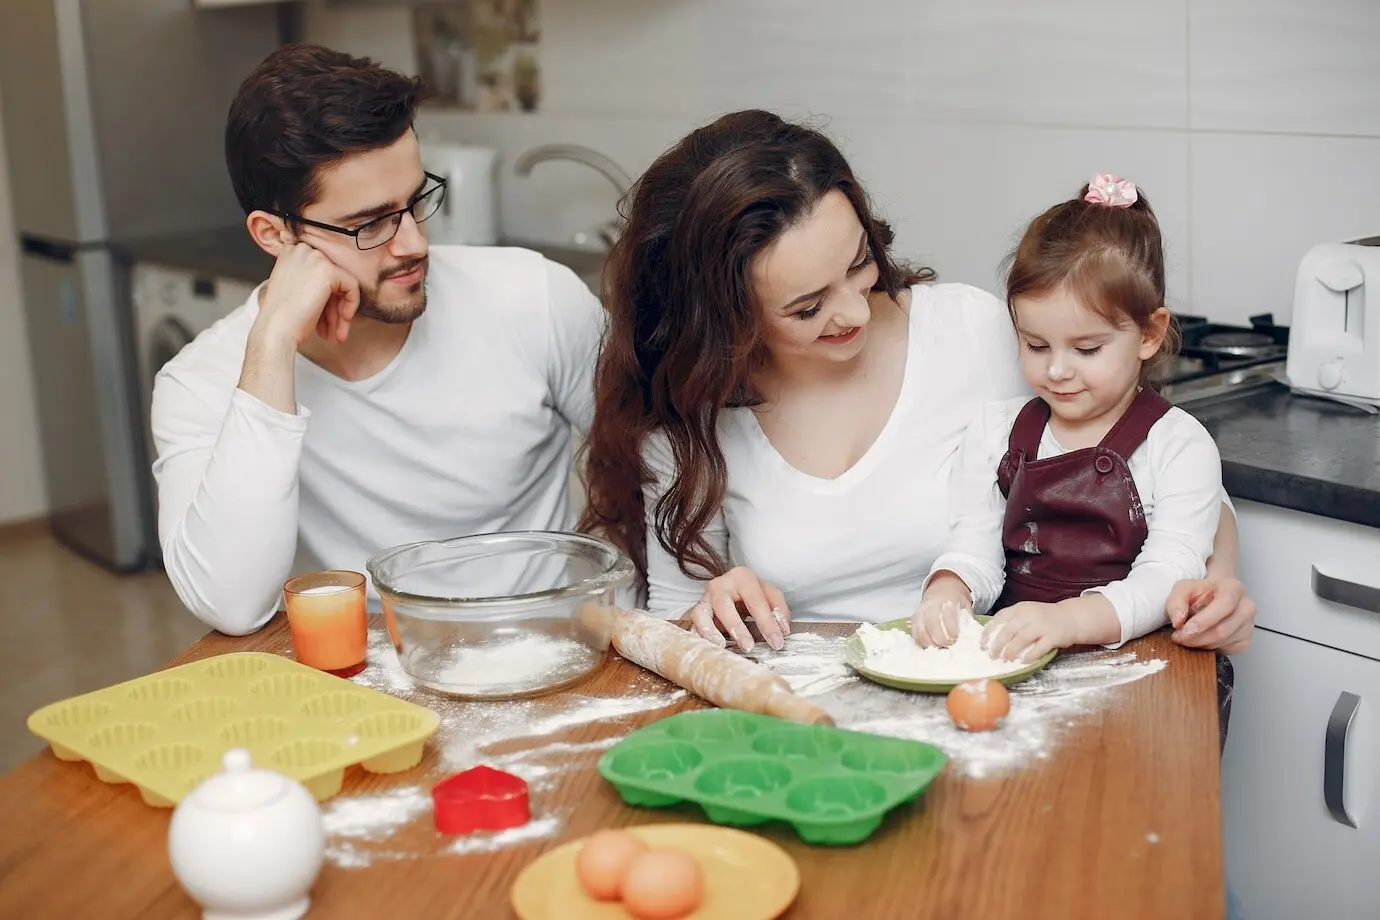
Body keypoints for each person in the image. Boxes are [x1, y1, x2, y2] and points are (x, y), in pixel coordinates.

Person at [579, 109, 1255, 661]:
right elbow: (670, 623)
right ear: (721, 317)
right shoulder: (691, 414)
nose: (851, 313)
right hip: (803, 724)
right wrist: (710, 613)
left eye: (859, 265)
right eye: (806, 307)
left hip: (992, 700)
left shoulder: (974, 333)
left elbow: (1174, 477)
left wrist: (1216, 585)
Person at [150, 44, 603, 636]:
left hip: (548, 655)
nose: (414, 244)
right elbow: (232, 605)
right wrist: (272, 344)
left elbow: (664, 458)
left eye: (416, 201)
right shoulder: (199, 381)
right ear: (274, 236)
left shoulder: (534, 297)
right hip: (365, 691)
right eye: (370, 223)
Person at [911, 175, 1224, 664]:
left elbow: (1170, 573)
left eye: (1086, 348)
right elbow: (974, 542)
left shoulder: (1179, 445)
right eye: (1035, 345)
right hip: (1019, 660)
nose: (1056, 370)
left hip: (1142, 667)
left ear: (1149, 334)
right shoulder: (997, 432)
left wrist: (1067, 621)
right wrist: (950, 588)